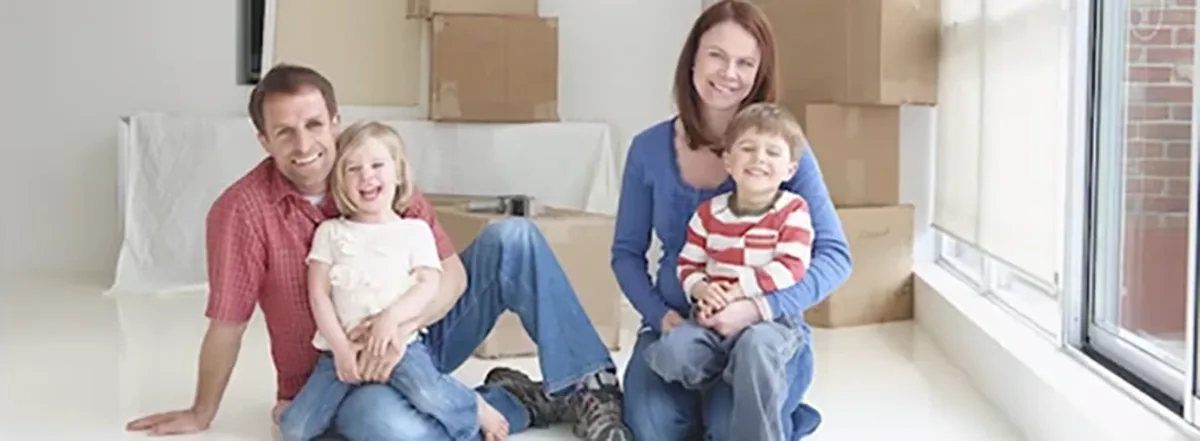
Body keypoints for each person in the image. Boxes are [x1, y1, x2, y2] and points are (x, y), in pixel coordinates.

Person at [124, 63, 632, 441]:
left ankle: (591, 388)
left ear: (336, 121)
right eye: (285, 132)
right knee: (390, 430)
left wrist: (396, 324)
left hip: (418, 340)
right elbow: (228, 324)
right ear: (264, 140)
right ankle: (514, 401)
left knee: (513, 239)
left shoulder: (375, 173)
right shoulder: (240, 212)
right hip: (339, 372)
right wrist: (201, 411)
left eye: (315, 125)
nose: (305, 145)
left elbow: (451, 277)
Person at [610, 1, 853, 440]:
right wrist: (665, 319)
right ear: (693, 59)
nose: (728, 73)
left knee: (732, 428)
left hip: (762, 332)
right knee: (653, 430)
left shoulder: (781, 153)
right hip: (679, 330)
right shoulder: (647, 150)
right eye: (717, 56)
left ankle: (773, 409)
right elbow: (626, 255)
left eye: (745, 62)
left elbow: (835, 256)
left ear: (759, 72)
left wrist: (757, 309)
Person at [277, 121, 480, 441]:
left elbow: (428, 285)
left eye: (377, 165)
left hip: (401, 346)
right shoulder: (330, 233)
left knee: (431, 397)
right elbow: (318, 295)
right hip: (340, 352)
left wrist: (391, 320)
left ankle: (475, 413)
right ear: (340, 182)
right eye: (353, 169)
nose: (366, 176)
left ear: (398, 173)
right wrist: (341, 349)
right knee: (294, 429)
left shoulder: (414, 232)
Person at [642, 104, 815, 430]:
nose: (759, 159)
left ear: (790, 169)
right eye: (747, 149)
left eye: (772, 152)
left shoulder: (793, 210)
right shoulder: (709, 214)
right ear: (728, 161)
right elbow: (689, 264)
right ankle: (729, 371)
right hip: (710, 320)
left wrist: (739, 291)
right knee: (669, 354)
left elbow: (792, 266)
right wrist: (702, 291)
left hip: (770, 320)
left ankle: (757, 395)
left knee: (756, 349)